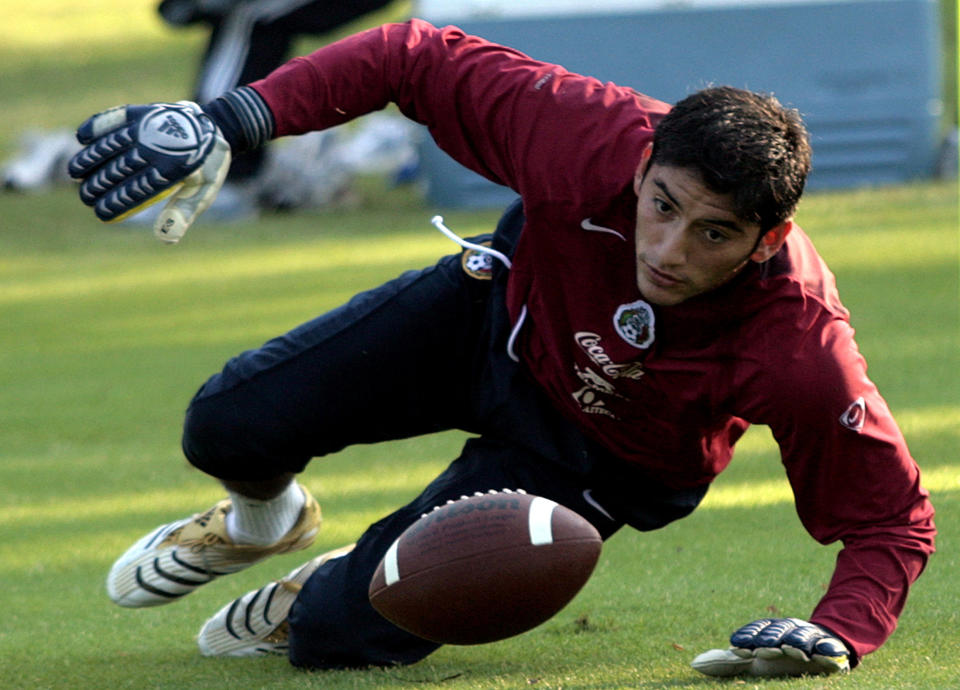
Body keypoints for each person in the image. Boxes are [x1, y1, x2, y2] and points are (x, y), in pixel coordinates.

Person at [66, 19, 935, 678]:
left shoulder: (798, 342)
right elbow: (412, 55)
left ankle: (332, 582)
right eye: (662, 206)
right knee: (224, 425)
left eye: (715, 233)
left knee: (336, 638)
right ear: (641, 168)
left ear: (767, 236)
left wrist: (840, 632)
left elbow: (890, 520)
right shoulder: (588, 134)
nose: (670, 251)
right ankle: (265, 522)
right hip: (489, 324)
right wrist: (236, 115)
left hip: (598, 453)